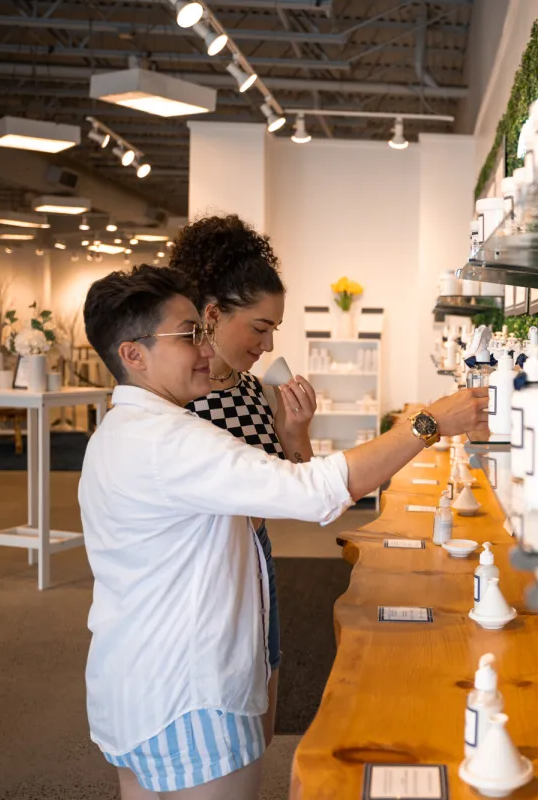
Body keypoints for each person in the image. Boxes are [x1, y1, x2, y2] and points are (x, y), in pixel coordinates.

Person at [79, 265, 487, 799]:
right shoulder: (169, 440)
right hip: (188, 695)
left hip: (132, 684)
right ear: (133, 354)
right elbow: (314, 491)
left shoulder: (121, 432)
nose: (206, 347)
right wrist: (425, 424)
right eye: (189, 335)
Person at [168, 214, 311, 747]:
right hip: (203, 572)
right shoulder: (180, 399)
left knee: (261, 713)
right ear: (212, 314)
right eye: (259, 327)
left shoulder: (253, 391)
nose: (268, 344)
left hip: (255, 557)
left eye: (274, 330)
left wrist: (296, 429)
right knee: (211, 719)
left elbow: (297, 488)